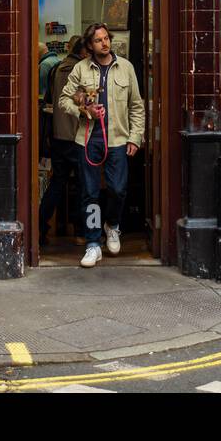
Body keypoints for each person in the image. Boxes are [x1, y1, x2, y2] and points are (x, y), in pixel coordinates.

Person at [58, 22, 145, 268]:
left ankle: (113, 225)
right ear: (89, 45)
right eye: (98, 40)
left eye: (106, 38)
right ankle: (94, 243)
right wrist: (84, 111)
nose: (104, 43)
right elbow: (64, 99)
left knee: (118, 189)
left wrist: (134, 137)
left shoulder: (125, 67)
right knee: (90, 192)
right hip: (88, 139)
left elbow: (137, 106)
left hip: (118, 139)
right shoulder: (80, 69)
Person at [39, 38, 87, 246]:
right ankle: (81, 231)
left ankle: (40, 226)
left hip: (58, 134)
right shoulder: (83, 70)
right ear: (85, 51)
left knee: (57, 183)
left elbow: (49, 100)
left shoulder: (56, 68)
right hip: (78, 134)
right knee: (83, 184)